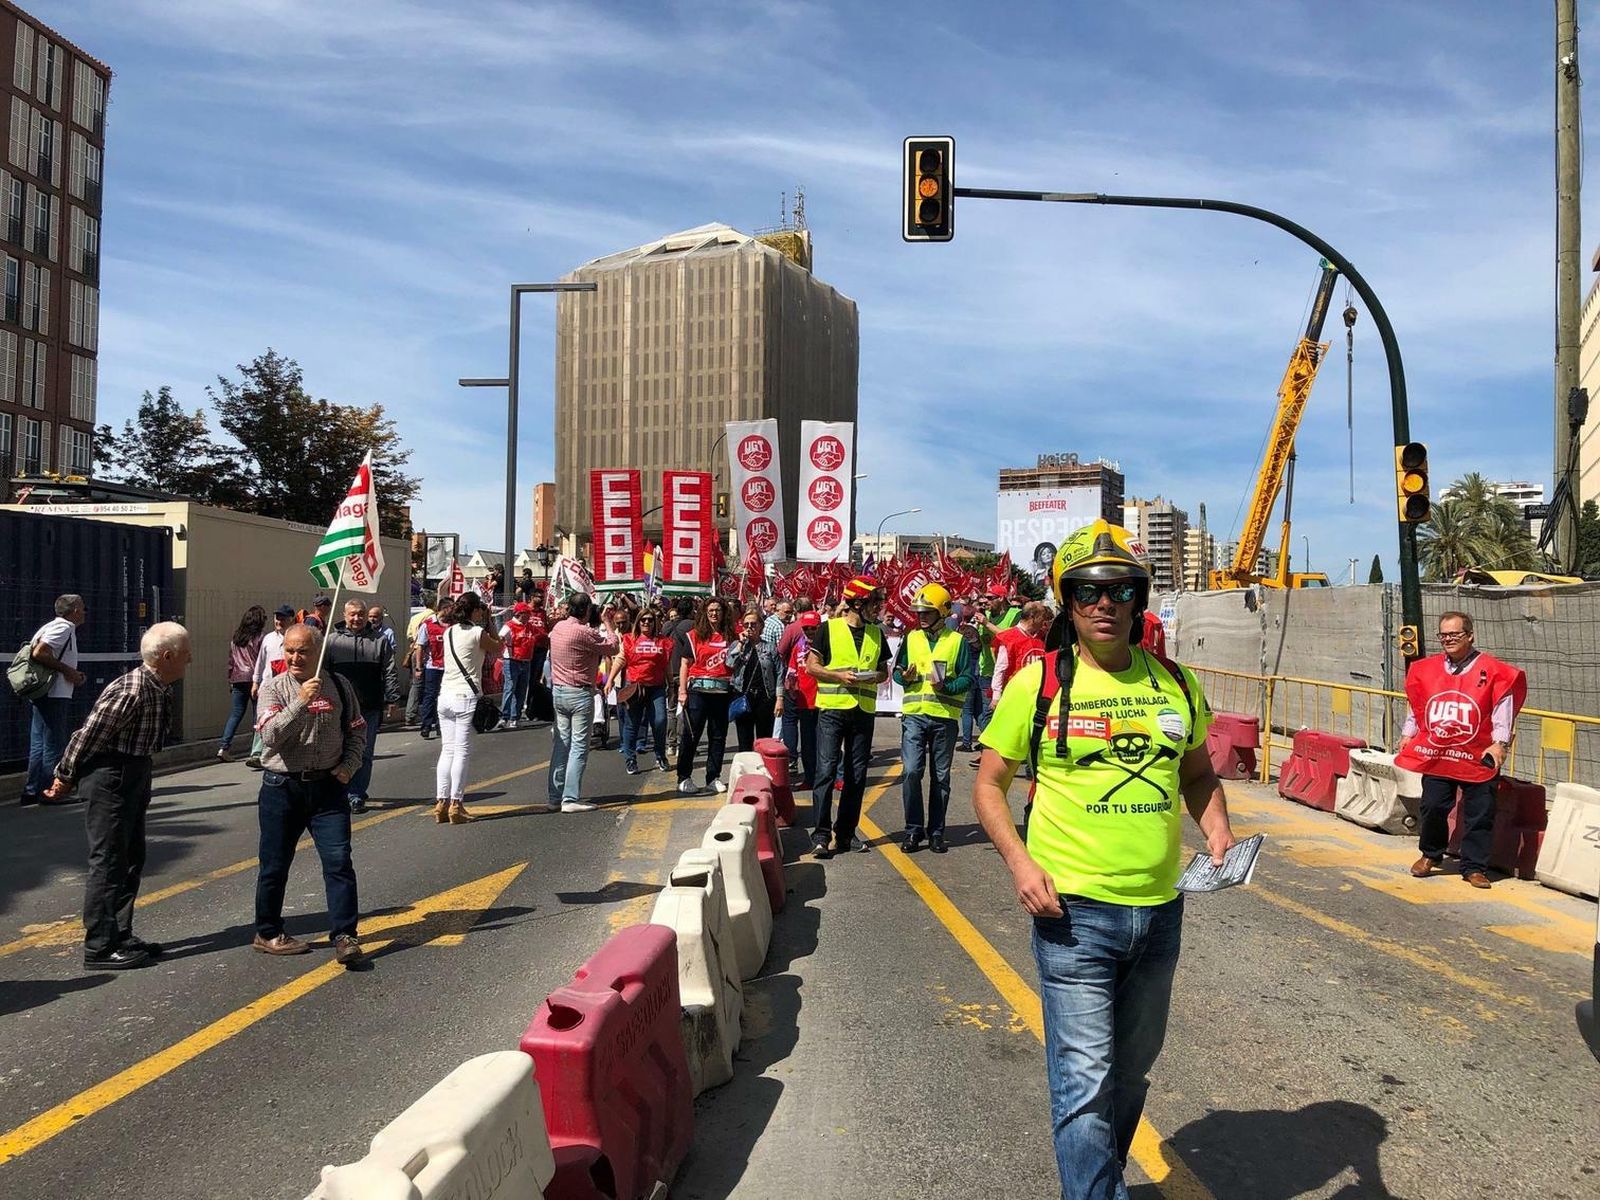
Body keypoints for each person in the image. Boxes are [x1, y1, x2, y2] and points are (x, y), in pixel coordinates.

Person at [972, 520, 1235, 1200]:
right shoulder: (1039, 686)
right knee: (1084, 1079)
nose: (1104, 603)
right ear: (1069, 601)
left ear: (1138, 598)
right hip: (1072, 914)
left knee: (1131, 1073)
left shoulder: (1175, 683)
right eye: (1088, 590)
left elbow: (1199, 774)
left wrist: (1218, 828)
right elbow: (988, 782)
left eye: (1119, 589)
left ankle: (1095, 1182)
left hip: (1160, 912)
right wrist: (1020, 864)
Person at [45, 622, 191, 970]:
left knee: (130, 858)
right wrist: (64, 776)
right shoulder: (133, 689)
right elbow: (88, 736)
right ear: (167, 656)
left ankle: (120, 933)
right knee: (109, 861)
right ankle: (99, 945)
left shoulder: (157, 686)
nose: (190, 661)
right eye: (185, 655)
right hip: (111, 775)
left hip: (135, 771)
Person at [251, 623, 366, 965]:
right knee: (274, 865)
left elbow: (357, 731)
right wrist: (302, 701)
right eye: (289, 650)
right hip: (282, 788)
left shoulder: (341, 687)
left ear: (319, 654)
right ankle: (268, 932)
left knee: (339, 862)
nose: (295, 657)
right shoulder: (274, 689)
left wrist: (349, 766)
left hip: (328, 789)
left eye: (303, 651)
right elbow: (271, 736)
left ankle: (345, 935)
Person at [1397, 610, 1526, 889]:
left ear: (1469, 635)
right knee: (1432, 805)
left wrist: (1499, 743)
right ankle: (1430, 854)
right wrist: (1408, 734)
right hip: (1439, 752)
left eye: (1454, 634)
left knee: (1480, 812)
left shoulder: (1493, 671)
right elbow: (1417, 706)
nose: (1448, 640)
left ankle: (1474, 867)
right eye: (1443, 635)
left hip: (1478, 754)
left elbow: (1503, 711)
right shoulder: (1426, 669)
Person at [805, 577, 890, 858]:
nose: (878, 608)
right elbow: (811, 667)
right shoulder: (828, 629)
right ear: (857, 603)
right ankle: (820, 835)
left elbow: (883, 672)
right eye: (873, 603)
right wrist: (839, 676)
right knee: (826, 773)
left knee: (856, 776)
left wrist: (872, 677)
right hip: (832, 710)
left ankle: (845, 834)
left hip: (863, 713)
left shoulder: (877, 634)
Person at [894, 582, 975, 853]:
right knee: (912, 772)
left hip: (944, 719)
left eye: (927, 612)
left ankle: (937, 832)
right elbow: (897, 672)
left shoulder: (958, 642)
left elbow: (968, 678)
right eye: (919, 612)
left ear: (942, 612)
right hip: (914, 717)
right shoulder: (911, 638)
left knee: (941, 777)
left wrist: (947, 687)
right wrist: (903, 677)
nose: (921, 617)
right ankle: (913, 831)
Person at [323, 599, 400, 814]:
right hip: (339, 708)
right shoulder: (332, 641)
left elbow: (390, 671)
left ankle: (356, 794)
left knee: (364, 753)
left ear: (367, 616)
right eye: (352, 614)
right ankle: (339, 792)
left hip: (369, 707)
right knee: (337, 752)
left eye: (360, 614)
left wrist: (392, 698)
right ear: (344, 615)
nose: (356, 618)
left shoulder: (380, 641)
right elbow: (324, 674)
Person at [434, 592, 502, 823]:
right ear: (475, 611)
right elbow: (499, 647)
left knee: (447, 750)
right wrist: (491, 621)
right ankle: (456, 803)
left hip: (445, 695)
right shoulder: (477, 633)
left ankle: (441, 802)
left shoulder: (448, 632)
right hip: (466, 695)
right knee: (461, 751)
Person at [547, 592, 619, 812]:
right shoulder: (584, 632)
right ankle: (570, 798)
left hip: (559, 692)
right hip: (579, 693)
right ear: (587, 610)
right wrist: (607, 621)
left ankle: (554, 797)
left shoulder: (558, 628)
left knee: (561, 745)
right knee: (579, 746)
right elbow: (613, 646)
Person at [20, 593, 88, 806]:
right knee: (53, 744)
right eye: (83, 608)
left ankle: (32, 791)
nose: (85, 612)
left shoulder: (49, 626)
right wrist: (70, 672)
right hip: (54, 692)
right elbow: (40, 652)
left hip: (43, 692)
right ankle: (50, 791)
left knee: (39, 743)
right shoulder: (63, 628)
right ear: (75, 610)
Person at [677, 597, 737, 795]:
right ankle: (684, 776)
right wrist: (682, 691)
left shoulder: (731, 636)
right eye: (711, 610)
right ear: (704, 612)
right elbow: (685, 664)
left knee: (718, 736)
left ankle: (713, 777)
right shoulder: (694, 636)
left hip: (722, 693)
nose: (714, 614)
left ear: (723, 613)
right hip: (697, 692)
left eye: (718, 610)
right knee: (691, 735)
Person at [960, 584, 1019, 752]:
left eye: (991, 598)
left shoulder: (1014, 615)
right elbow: (980, 644)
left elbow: (1011, 638)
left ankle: (997, 751)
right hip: (986, 672)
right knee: (986, 715)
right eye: (985, 599)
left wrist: (986, 623)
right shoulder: (985, 616)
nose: (986, 602)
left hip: (1008, 674)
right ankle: (993, 750)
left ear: (1001, 598)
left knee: (1002, 715)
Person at [616, 608, 672, 774]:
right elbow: (620, 660)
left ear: (655, 622)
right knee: (631, 724)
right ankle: (630, 759)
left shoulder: (663, 641)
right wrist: (610, 680)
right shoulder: (629, 639)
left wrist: (672, 686)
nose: (646, 622)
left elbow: (667, 665)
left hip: (657, 687)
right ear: (638, 622)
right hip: (635, 687)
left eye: (650, 620)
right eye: (643, 620)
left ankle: (660, 755)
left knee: (660, 721)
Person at [246, 604, 296, 769]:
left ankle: (281, 754)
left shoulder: (295, 638)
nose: (279, 621)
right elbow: (260, 662)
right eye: (277, 618)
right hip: (268, 687)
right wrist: (255, 682)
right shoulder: (268, 638)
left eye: (283, 618)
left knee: (285, 721)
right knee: (264, 719)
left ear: (291, 620)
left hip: (289, 687)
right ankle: (257, 753)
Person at [777, 607, 821, 788]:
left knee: (826, 744)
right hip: (803, 702)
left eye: (813, 628)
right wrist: (790, 685)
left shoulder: (826, 646)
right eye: (806, 628)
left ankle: (833, 777)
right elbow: (792, 670)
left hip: (824, 701)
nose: (810, 632)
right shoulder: (798, 648)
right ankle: (810, 778)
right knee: (808, 744)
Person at [728, 606, 781, 752]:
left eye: (753, 624)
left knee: (764, 740)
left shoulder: (770, 647)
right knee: (744, 740)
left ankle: (763, 769)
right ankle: (747, 772)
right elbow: (730, 664)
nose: (750, 627)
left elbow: (780, 673)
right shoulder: (737, 645)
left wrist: (780, 698)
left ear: (761, 626)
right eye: (746, 625)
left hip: (765, 697)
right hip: (743, 696)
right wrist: (740, 644)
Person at [218, 605, 266, 762]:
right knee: (258, 716)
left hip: (237, 679)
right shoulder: (260, 637)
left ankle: (224, 747)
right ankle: (255, 751)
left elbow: (231, 661)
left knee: (235, 714)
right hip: (254, 680)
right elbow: (262, 660)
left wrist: (230, 679)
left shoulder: (236, 638)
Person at [991, 601, 1053, 701]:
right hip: (1016, 693)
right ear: (1033, 617)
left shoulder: (1045, 637)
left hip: (1039, 694)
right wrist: (996, 696)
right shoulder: (1009, 638)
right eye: (1042, 617)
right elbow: (1000, 668)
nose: (1044, 621)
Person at [416, 596, 451, 740]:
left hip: (449, 668)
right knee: (430, 696)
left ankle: (440, 725)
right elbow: (420, 646)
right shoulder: (428, 624)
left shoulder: (453, 625)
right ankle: (426, 725)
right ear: (444, 609)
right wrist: (419, 667)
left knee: (444, 697)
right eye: (451, 608)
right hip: (433, 666)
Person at [500, 602, 539, 728]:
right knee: (510, 688)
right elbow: (500, 638)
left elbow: (541, 635)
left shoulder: (530, 627)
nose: (529, 616)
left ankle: (515, 717)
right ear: (519, 614)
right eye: (526, 613)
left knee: (521, 690)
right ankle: (504, 717)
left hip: (526, 661)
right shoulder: (509, 626)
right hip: (512, 661)